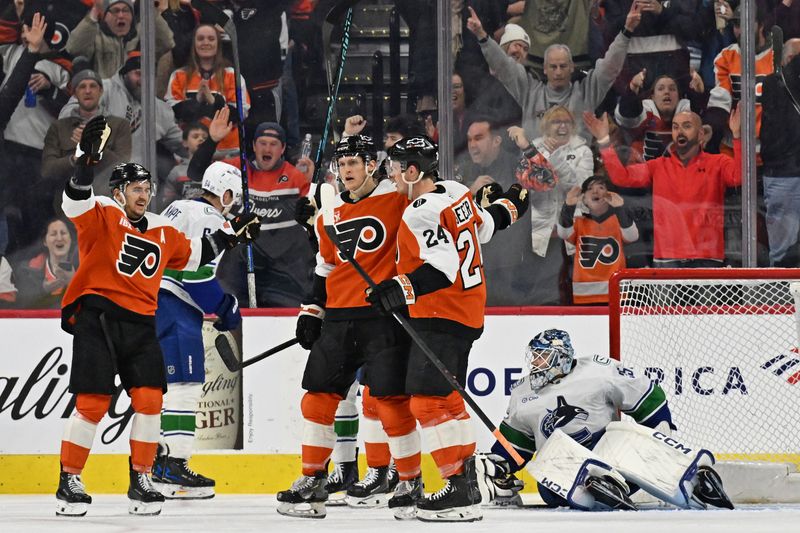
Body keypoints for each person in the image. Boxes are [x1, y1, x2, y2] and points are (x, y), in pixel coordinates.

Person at [55, 115, 260, 517]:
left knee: (150, 401)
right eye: (135, 188)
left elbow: (196, 256)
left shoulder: (163, 228)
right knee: (93, 403)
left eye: (147, 188)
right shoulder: (101, 213)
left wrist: (233, 234)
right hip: (98, 316)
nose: (143, 195)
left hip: (142, 320)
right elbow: (73, 199)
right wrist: (83, 165)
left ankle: (143, 477)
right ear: (118, 192)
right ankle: (70, 478)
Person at [366, 135, 529, 521]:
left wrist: (398, 287)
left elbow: (442, 268)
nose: (390, 174)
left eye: (394, 167)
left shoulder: (418, 211)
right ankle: (465, 483)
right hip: (466, 313)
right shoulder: (455, 191)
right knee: (447, 399)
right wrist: (511, 205)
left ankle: (456, 487)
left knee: (427, 400)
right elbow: (487, 226)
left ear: (411, 171)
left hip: (442, 313)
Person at [276, 135, 415, 519]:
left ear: (372, 165)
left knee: (388, 400)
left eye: (355, 162)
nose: (347, 170)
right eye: (342, 164)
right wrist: (312, 310)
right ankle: (313, 480)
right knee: (317, 397)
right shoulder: (329, 213)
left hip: (383, 317)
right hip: (339, 317)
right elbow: (325, 267)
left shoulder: (398, 201)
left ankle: (409, 480)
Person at [477, 329, 733, 511]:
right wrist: (500, 465)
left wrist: (659, 438)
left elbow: (647, 397)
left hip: (611, 457)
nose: (535, 364)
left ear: (560, 358)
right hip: (559, 474)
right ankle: (600, 485)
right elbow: (517, 444)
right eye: (534, 357)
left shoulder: (598, 370)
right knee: (548, 467)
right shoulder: (523, 392)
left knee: (622, 434)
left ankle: (689, 478)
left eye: (542, 357)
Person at [151, 161, 244, 499]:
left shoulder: (177, 206)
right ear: (226, 191)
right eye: (234, 195)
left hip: (154, 300)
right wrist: (225, 308)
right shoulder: (210, 218)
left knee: (170, 386)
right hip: (175, 305)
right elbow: (195, 276)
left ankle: (161, 461)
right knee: (185, 386)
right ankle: (175, 463)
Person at [584, 105, 742, 268]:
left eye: (687, 126)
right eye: (675, 127)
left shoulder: (718, 163)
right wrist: (604, 141)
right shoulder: (657, 166)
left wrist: (737, 136)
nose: (680, 131)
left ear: (701, 134)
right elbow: (621, 177)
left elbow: (739, 176)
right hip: (667, 259)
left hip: (707, 257)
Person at [187, 107, 314, 307]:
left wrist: (313, 183)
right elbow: (195, 173)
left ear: (282, 149)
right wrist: (212, 140)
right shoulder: (238, 167)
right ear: (254, 146)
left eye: (274, 144)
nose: (267, 148)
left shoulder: (295, 176)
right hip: (237, 263)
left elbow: (312, 217)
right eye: (262, 143)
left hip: (280, 268)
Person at [466, 3, 641, 142]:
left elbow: (610, 66)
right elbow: (504, 66)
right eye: (553, 67)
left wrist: (627, 31)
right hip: (536, 176)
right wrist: (482, 36)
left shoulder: (586, 93)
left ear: (572, 68)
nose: (558, 72)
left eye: (563, 66)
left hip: (577, 174)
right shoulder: (530, 91)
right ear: (544, 69)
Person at [165, 23, 249, 155]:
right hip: (190, 152)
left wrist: (213, 101)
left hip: (227, 150)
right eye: (200, 39)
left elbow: (240, 113)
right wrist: (196, 102)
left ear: (218, 44)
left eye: (211, 39)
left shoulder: (232, 75)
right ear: (194, 44)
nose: (205, 43)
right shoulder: (179, 75)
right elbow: (170, 114)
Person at [42, 68, 132, 186]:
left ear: (101, 91)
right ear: (74, 93)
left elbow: (124, 168)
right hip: (68, 199)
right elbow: (47, 171)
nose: (88, 91)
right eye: (82, 87)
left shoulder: (119, 125)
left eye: (93, 86)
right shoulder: (59, 127)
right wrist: (73, 159)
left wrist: (95, 148)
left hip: (105, 199)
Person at [557, 176, 639, 304]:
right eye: (590, 189)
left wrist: (620, 209)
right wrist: (568, 206)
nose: (595, 192)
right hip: (584, 295)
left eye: (601, 187)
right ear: (583, 199)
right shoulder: (579, 222)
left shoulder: (619, 221)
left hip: (616, 293)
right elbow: (563, 232)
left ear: (610, 196)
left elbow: (632, 236)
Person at [759, 38, 800, 266]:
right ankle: (783, 299)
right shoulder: (773, 84)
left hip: (786, 173)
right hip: (783, 175)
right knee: (782, 254)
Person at [66, 0, 174, 79]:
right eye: (115, 10)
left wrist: (150, 10)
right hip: (105, 100)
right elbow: (74, 49)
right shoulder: (95, 34)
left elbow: (166, 42)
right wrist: (95, 12)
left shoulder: (141, 32)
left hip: (135, 99)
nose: (121, 15)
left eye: (126, 10)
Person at [16, 217, 77, 309]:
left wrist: (73, 282)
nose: (59, 238)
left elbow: (93, 305)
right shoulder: (27, 271)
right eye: (53, 234)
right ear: (45, 241)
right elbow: (21, 306)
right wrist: (43, 290)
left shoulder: (83, 268)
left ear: (71, 239)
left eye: (63, 233)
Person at [158, 122, 209, 208]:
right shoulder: (177, 172)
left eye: (205, 138)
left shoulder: (215, 170)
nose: (201, 139)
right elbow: (166, 203)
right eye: (195, 136)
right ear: (185, 143)